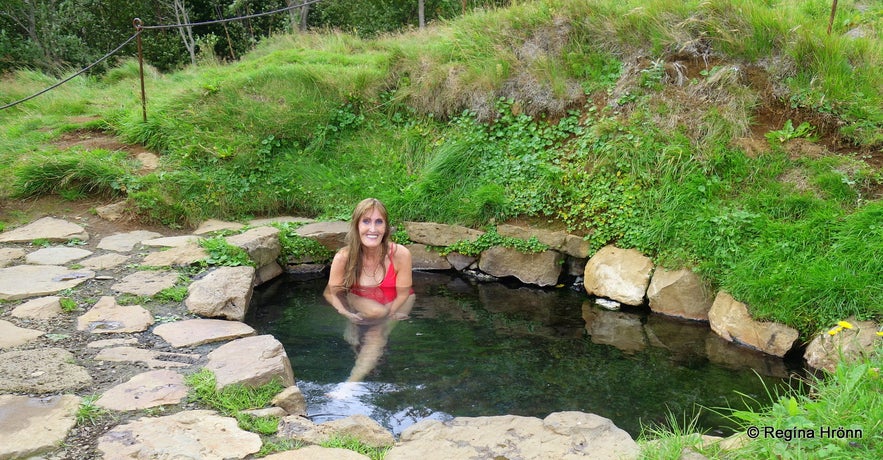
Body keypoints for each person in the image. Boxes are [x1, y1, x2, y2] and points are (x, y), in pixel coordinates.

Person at [324, 198, 416, 384]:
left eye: (378, 222)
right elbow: (331, 292)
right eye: (366, 221)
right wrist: (347, 315)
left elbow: (404, 293)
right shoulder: (344, 257)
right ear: (356, 225)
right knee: (374, 316)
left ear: (386, 227)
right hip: (360, 300)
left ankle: (350, 384)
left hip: (398, 301)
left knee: (377, 332)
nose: (373, 229)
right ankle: (357, 328)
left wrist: (388, 315)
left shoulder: (401, 254)